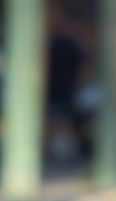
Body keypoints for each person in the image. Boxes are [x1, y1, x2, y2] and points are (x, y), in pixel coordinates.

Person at [46, 3, 94, 165]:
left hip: (66, 97)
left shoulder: (67, 45)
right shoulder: (55, 44)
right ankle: (83, 144)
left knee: (83, 107)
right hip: (58, 97)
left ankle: (84, 144)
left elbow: (84, 73)